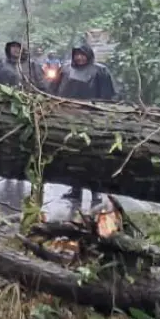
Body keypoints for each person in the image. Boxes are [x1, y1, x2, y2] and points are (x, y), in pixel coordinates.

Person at [49, 42, 117, 202]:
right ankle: (75, 189)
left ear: (88, 55)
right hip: (69, 117)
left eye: (82, 54)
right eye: (76, 54)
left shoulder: (100, 71)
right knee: (73, 156)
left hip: (92, 118)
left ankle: (95, 192)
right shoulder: (65, 69)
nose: (79, 57)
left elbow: (108, 96)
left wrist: (103, 115)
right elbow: (53, 89)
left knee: (93, 156)